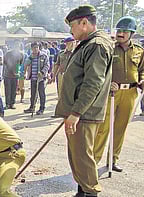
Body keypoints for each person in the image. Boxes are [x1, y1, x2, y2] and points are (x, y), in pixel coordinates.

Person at [55, 5, 114, 197]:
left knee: (83, 157)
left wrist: (76, 113)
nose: (70, 31)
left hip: (84, 114)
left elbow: (92, 83)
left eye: (72, 26)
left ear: (84, 22)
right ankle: (82, 191)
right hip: (80, 112)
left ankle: (91, 193)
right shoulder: (88, 43)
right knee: (77, 157)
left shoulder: (96, 45)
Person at [93, 16, 144, 173]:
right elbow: (100, 72)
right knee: (103, 128)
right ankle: (94, 160)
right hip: (111, 93)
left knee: (120, 128)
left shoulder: (139, 51)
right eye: (119, 30)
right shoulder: (109, 49)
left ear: (132, 34)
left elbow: (142, 70)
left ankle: (113, 159)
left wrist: (142, 80)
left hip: (130, 93)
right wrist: (109, 84)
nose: (120, 33)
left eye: (124, 31)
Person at [24, 42, 49, 115]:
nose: (35, 49)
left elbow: (47, 65)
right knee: (33, 94)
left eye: (36, 47)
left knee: (41, 94)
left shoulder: (43, 56)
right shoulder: (30, 56)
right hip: (33, 78)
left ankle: (41, 108)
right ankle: (32, 107)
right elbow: (26, 64)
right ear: (31, 48)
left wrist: (42, 72)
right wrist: (30, 58)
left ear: (39, 48)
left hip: (41, 79)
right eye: (34, 48)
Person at [3, 42, 25, 110]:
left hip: (15, 76)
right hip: (7, 75)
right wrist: (11, 69)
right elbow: (5, 62)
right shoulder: (8, 53)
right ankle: (7, 104)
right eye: (15, 45)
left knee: (14, 90)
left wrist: (16, 72)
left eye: (18, 46)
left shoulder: (21, 54)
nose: (17, 47)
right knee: (7, 90)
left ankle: (12, 103)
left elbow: (20, 64)